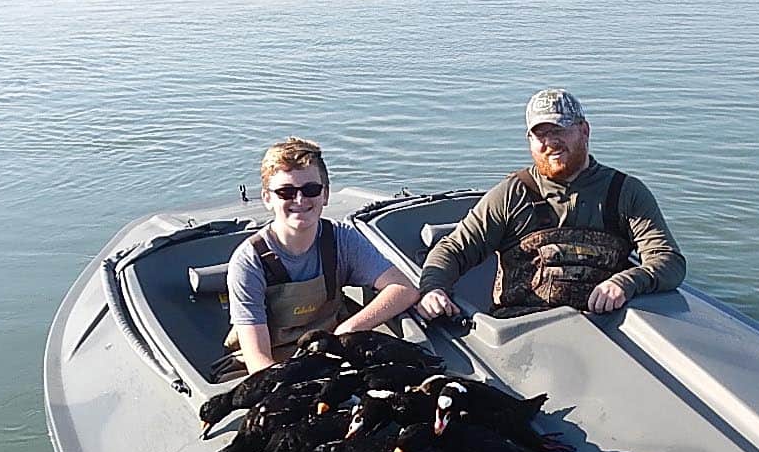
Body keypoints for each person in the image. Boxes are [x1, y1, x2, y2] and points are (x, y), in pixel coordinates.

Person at [417, 89, 685, 321]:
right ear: (530, 141)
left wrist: (626, 282)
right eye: (540, 135)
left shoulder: (626, 192)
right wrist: (434, 288)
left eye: (559, 130)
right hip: (521, 328)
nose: (550, 143)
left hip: (601, 327)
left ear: (584, 130)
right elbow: (454, 249)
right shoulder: (512, 193)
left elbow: (668, 260)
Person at [226, 137, 419, 372]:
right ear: (267, 198)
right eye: (286, 192)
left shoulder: (341, 239)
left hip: (332, 351)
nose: (299, 200)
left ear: (325, 194)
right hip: (276, 363)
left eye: (311, 189)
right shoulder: (248, 261)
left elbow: (403, 289)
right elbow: (258, 361)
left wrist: (347, 332)